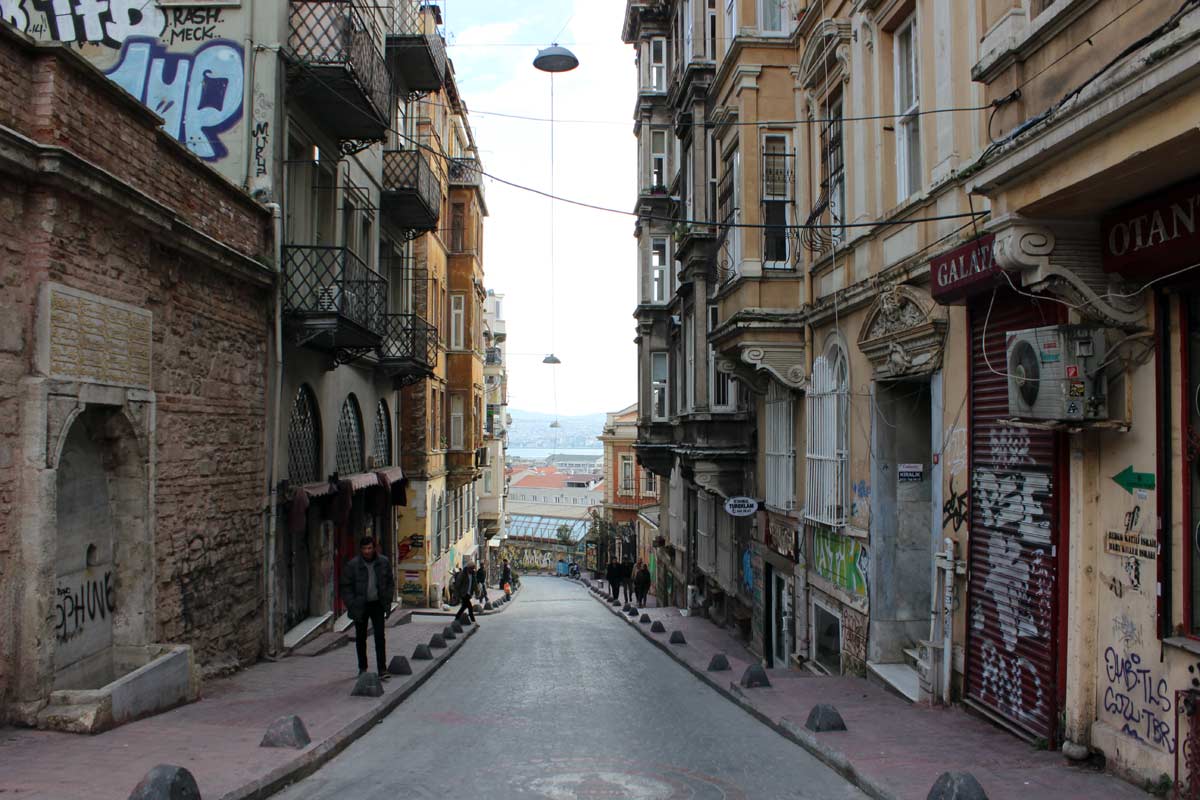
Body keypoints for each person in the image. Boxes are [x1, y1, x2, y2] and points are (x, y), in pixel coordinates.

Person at [339, 536, 395, 678]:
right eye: (364, 549)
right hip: (360, 605)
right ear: (360, 549)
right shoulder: (353, 565)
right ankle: (362, 668)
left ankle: (382, 669)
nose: (367, 551)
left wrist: (387, 599)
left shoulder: (383, 562)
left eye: (369, 548)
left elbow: (390, 582)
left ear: (374, 548)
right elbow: (345, 586)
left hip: (377, 604)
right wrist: (351, 603)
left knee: (379, 637)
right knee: (360, 638)